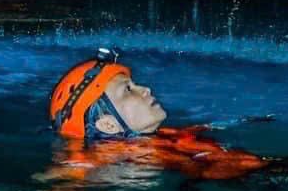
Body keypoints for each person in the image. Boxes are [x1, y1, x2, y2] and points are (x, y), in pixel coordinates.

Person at [45, 50, 269, 182]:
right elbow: (65, 172)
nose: (145, 89)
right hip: (256, 181)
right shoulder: (114, 151)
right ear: (108, 124)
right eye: (128, 90)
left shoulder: (158, 136)